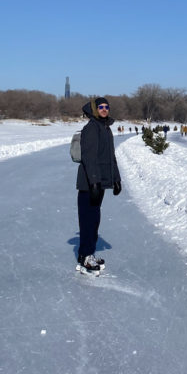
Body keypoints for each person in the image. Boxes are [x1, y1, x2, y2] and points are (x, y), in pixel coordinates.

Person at [76, 97, 122, 274]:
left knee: (94, 219)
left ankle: (88, 254)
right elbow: (89, 158)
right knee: (88, 220)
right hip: (89, 183)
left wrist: (116, 179)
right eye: (101, 107)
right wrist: (94, 182)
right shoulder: (91, 129)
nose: (104, 109)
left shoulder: (105, 128)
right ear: (95, 110)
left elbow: (111, 158)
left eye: (106, 107)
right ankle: (85, 257)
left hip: (99, 183)